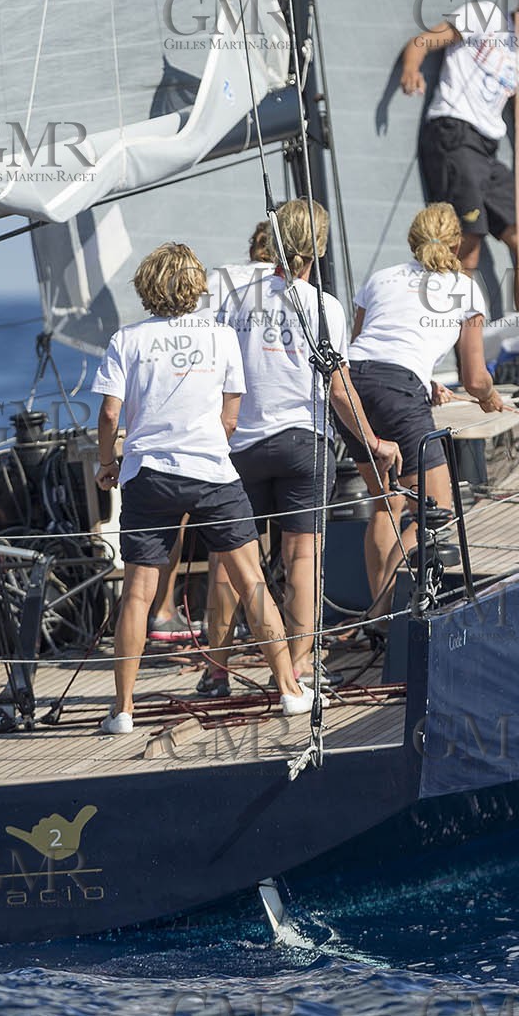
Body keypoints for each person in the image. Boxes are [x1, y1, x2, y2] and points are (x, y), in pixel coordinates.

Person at [93, 242, 313, 734]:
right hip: (213, 473)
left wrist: (108, 464)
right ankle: (290, 690)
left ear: (147, 286)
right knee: (251, 581)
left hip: (149, 476)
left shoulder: (126, 340)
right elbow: (230, 413)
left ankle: (123, 710)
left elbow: (110, 414)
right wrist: (209, 441)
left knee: (138, 593)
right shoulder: (220, 337)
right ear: (196, 288)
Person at [203, 200, 401, 693]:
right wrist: (373, 441)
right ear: (319, 247)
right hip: (303, 445)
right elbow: (338, 388)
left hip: (241, 445)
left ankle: (217, 671)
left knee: (230, 563)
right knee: (302, 558)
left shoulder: (235, 298)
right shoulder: (325, 307)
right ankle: (301, 666)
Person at [339, 203, 502, 612]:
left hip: (352, 384)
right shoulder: (464, 287)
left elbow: (368, 347)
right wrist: (489, 398)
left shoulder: (381, 278)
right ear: (456, 243)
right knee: (437, 514)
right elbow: (475, 378)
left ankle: (376, 619)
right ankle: (381, 614)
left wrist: (423, 379)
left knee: (385, 505)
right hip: (397, 390)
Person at [399, 0, 519, 313]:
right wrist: (411, 69)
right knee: (468, 245)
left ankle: (517, 346)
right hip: (454, 132)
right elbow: (424, 41)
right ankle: (468, 357)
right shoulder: (486, 15)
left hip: (488, 150)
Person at [144, 220, 280, 646]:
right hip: (254, 429)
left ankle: (170, 615)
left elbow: (183, 330)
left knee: (179, 524)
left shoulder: (222, 280)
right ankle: (286, 656)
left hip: (205, 436)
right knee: (246, 552)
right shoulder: (292, 288)